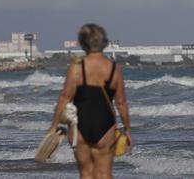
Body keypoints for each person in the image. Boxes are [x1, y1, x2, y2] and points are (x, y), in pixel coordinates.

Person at [49, 23, 132, 179]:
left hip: (80, 125)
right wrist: (127, 129)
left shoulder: (76, 67)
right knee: (104, 174)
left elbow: (65, 97)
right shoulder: (113, 68)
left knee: (86, 174)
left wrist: (54, 125)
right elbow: (121, 102)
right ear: (104, 42)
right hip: (106, 124)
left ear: (82, 42)